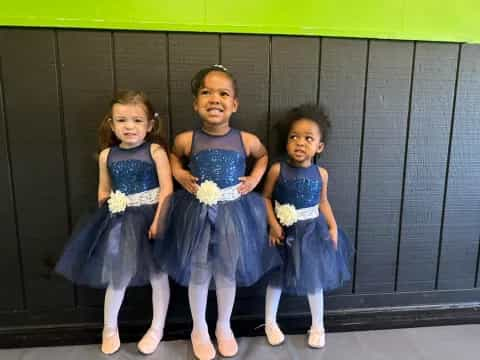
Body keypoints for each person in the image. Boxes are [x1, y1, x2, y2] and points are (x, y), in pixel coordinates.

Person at [154, 65, 281, 360]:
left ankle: (223, 326)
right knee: (198, 270)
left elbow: (263, 156)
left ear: (234, 104)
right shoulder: (187, 139)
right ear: (196, 103)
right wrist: (179, 172)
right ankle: (199, 328)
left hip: (233, 213)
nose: (215, 99)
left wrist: (253, 180)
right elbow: (173, 155)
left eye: (223, 94)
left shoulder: (245, 139)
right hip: (195, 214)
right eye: (206, 93)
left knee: (227, 271)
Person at [55, 90, 173, 355]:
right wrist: (108, 218)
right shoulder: (108, 155)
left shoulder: (155, 151)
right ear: (111, 123)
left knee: (158, 275)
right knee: (116, 276)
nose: (129, 126)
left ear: (150, 125)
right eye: (121, 120)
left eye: (137, 120)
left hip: (152, 218)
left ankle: (157, 327)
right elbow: (103, 190)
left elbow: (167, 189)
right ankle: (109, 327)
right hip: (120, 219)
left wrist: (159, 221)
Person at [263, 104, 351, 349]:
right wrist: (272, 224)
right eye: (294, 137)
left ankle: (318, 325)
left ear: (319, 146)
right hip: (282, 233)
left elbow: (323, 202)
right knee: (276, 278)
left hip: (312, 232)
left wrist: (333, 227)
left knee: (314, 279)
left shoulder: (321, 173)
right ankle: (270, 322)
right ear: (286, 142)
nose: (300, 143)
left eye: (308, 138)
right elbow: (265, 198)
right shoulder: (277, 170)